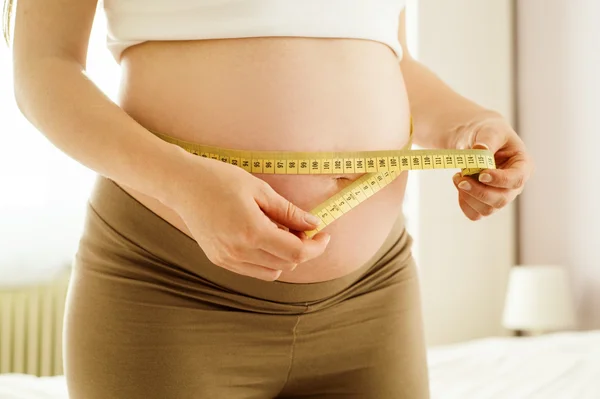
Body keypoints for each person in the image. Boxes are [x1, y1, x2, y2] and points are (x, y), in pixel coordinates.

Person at [4, 0, 533, 398]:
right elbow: (42, 67)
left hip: (373, 297)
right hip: (169, 289)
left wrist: (467, 124)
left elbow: (388, 56)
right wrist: (183, 183)